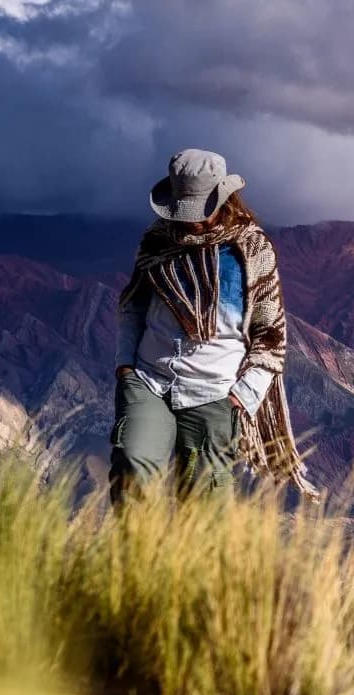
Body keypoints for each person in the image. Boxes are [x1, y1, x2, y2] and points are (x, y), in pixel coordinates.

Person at [110, 149, 319, 504]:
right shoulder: (158, 242)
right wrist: (126, 366)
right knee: (133, 468)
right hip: (149, 379)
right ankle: (133, 558)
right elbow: (134, 306)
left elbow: (270, 333)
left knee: (205, 505)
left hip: (215, 392)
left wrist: (241, 396)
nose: (188, 220)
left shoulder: (250, 251)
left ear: (222, 199)